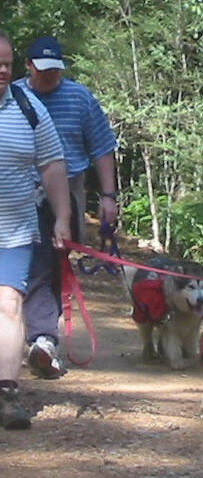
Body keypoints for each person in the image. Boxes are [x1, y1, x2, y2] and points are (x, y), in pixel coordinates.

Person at [16, 36, 118, 379]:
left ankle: (42, 339)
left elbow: (102, 148)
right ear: (28, 66)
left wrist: (108, 197)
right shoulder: (13, 96)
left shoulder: (79, 98)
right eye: (43, 70)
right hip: (16, 190)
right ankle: (34, 337)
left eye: (55, 70)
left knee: (50, 264)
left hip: (66, 190)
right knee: (27, 264)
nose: (49, 76)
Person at [0, 31, 71, 429]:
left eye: (7, 64)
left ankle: (6, 392)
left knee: (8, 304)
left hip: (15, 230)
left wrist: (61, 217)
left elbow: (52, 164)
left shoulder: (29, 109)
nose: (3, 71)